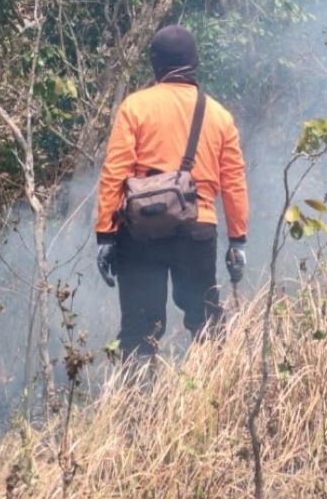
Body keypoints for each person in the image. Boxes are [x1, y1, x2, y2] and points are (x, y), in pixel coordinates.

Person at [95, 25, 249, 358]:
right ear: (194, 63)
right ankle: (216, 401)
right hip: (196, 229)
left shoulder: (135, 107)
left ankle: (136, 406)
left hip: (138, 233)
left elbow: (114, 173)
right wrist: (237, 240)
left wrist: (105, 235)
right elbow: (234, 181)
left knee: (139, 330)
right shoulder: (220, 116)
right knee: (206, 322)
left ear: (156, 64)